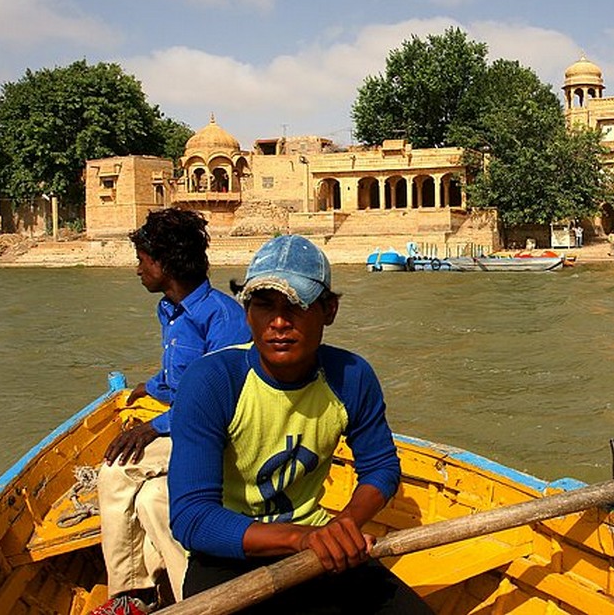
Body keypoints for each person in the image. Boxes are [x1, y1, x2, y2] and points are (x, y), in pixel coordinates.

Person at [168, 235, 432, 614]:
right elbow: (193, 517)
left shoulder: (352, 376)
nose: (278, 322)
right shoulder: (212, 381)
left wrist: (342, 528)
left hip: (319, 544)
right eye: (264, 305)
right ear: (247, 313)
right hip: (228, 552)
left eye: (296, 305)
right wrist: (302, 538)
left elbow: (381, 468)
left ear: (329, 310)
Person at [92, 208, 251, 615]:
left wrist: (155, 426)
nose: (138, 270)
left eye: (143, 261)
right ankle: (193, 601)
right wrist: (152, 387)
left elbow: (222, 401)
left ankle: (132, 595)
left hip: (216, 434)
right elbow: (181, 379)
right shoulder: (170, 310)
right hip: (186, 422)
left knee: (115, 469)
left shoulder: (224, 318)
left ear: (163, 264)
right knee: (151, 499)